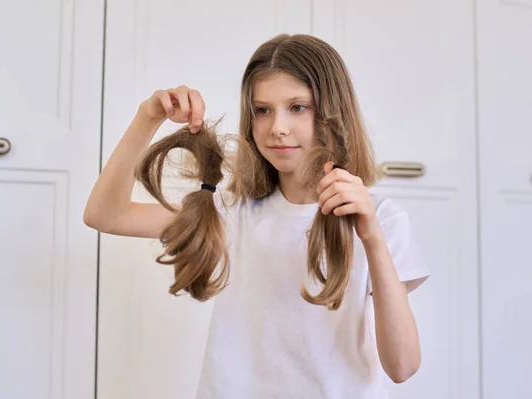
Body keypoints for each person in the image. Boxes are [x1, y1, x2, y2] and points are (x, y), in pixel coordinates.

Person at [84, 33, 430, 399]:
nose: (277, 127)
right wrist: (147, 116)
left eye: (298, 107)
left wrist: (371, 237)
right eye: (262, 110)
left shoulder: (383, 220)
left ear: (334, 113)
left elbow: (402, 366)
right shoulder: (232, 211)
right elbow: (105, 215)